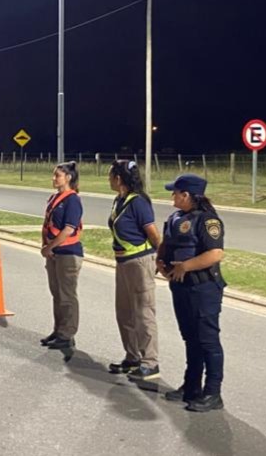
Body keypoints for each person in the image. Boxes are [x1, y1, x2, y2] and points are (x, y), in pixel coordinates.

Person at [157, 173, 226, 412]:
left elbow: (215, 254)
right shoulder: (175, 218)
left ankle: (213, 392)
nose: (172, 196)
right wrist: (160, 262)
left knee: (208, 340)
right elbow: (166, 244)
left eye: (175, 192)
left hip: (203, 288)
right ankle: (191, 386)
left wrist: (185, 266)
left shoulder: (208, 221)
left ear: (186, 195)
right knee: (190, 338)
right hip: (181, 286)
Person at [106, 160, 161, 381]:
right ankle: (132, 357)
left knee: (143, 313)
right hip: (123, 263)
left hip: (139, 263)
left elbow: (153, 234)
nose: (108, 179)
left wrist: (161, 259)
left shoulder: (138, 202)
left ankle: (150, 362)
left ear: (118, 178)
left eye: (110, 175)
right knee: (124, 312)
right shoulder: (119, 200)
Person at [40, 161, 84, 350]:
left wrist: (49, 247)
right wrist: (46, 247)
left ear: (68, 178)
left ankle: (67, 334)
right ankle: (58, 330)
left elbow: (68, 229)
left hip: (68, 253)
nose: (53, 178)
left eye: (57, 175)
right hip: (54, 253)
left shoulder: (72, 200)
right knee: (57, 294)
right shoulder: (54, 198)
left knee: (67, 296)